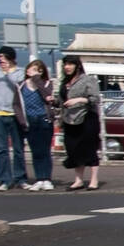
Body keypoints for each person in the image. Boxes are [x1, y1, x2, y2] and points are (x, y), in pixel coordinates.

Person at [0, 45, 30, 190]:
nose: (1, 60)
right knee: (0, 149)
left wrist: (7, 72)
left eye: (4, 57)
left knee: (18, 148)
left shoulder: (20, 72)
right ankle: (5, 180)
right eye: (0, 57)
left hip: (14, 114)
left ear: (11, 58)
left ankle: (20, 178)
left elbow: (18, 85)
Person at [57, 54, 101, 190]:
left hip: (86, 117)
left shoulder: (88, 80)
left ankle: (94, 180)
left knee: (89, 147)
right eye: (65, 64)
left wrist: (79, 100)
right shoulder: (64, 82)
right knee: (73, 148)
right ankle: (78, 180)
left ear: (77, 66)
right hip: (69, 119)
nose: (67, 67)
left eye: (70, 64)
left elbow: (95, 98)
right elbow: (61, 101)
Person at [20, 59, 55, 190]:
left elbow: (47, 95)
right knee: (35, 151)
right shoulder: (22, 85)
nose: (31, 71)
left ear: (40, 71)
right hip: (30, 120)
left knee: (45, 150)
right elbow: (17, 102)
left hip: (44, 119)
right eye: (30, 69)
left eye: (35, 69)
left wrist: (37, 79)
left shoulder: (46, 83)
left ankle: (47, 178)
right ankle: (39, 178)